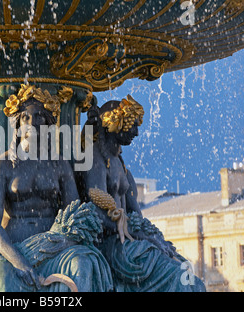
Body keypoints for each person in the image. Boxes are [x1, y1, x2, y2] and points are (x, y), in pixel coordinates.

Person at [0, 84, 113, 292]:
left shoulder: (59, 165)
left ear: (48, 124)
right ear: (17, 124)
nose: (32, 123)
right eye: (26, 117)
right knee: (3, 280)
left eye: (39, 117)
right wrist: (19, 262)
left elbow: (75, 216)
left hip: (55, 248)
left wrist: (57, 243)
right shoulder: (2, 164)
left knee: (82, 263)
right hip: (12, 250)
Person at [78, 95, 206, 292]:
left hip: (129, 241)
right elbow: (95, 214)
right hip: (111, 244)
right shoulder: (95, 157)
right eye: (132, 125)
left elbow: (136, 213)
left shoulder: (121, 165)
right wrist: (136, 233)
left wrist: (153, 237)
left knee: (184, 271)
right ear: (114, 124)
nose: (136, 132)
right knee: (176, 277)